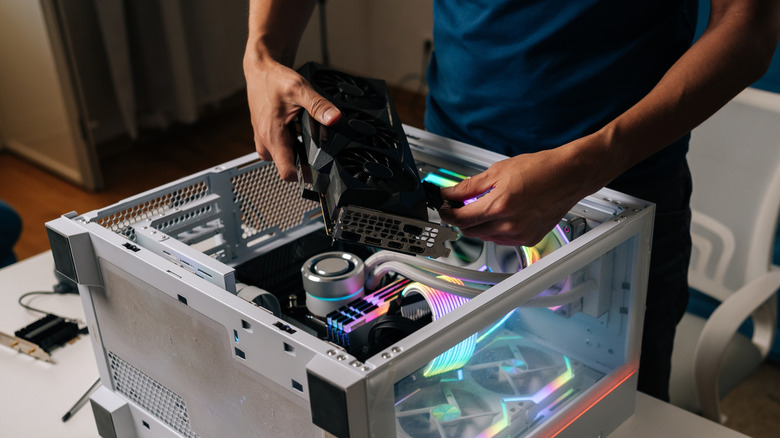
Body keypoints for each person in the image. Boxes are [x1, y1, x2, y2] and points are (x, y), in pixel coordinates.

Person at [243, 0, 780, 401]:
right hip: (451, 176)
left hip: (613, 200)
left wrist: (585, 168)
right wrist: (262, 51)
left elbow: (749, 26)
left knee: (603, 409)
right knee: (447, 395)